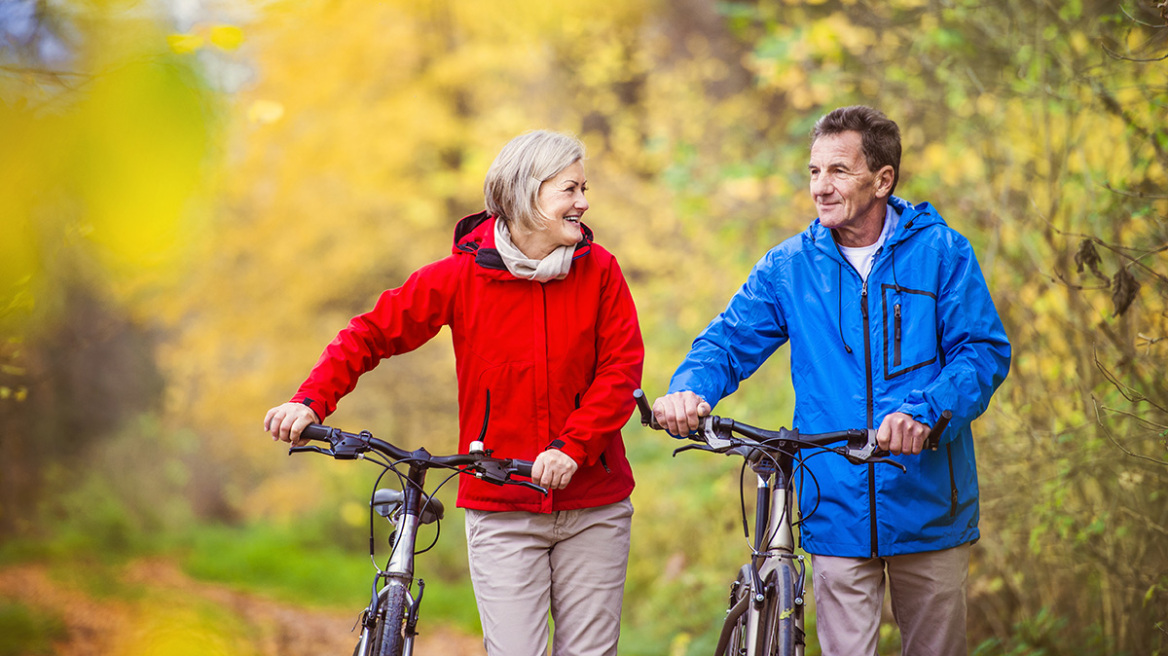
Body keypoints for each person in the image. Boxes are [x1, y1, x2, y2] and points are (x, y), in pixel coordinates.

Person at [264, 130, 644, 656]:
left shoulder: (599, 271)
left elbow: (621, 371)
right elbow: (371, 333)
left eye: (584, 188)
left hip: (593, 505)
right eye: (569, 189)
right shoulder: (461, 277)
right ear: (526, 194)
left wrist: (572, 447)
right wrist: (309, 400)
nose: (583, 202)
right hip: (502, 505)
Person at [652, 106, 1010, 656]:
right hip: (834, 502)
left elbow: (981, 352)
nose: (821, 187)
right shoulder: (789, 266)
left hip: (931, 500)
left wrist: (927, 410)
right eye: (814, 171)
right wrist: (689, 389)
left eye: (838, 171)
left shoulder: (941, 252)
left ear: (882, 179)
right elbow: (726, 342)